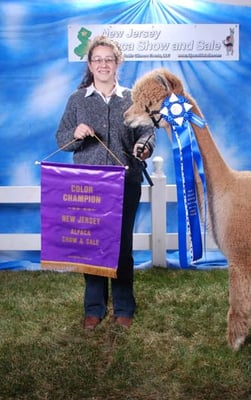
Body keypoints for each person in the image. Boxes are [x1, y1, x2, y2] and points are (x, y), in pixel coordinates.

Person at [56, 36, 155, 330]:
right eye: (97, 59)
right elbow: (61, 139)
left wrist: (145, 148)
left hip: (126, 181)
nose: (103, 64)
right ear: (90, 64)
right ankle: (94, 307)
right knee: (93, 247)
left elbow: (148, 134)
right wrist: (75, 133)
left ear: (117, 63)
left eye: (108, 59)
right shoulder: (77, 100)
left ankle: (124, 306)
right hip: (88, 185)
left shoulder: (131, 98)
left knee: (122, 246)